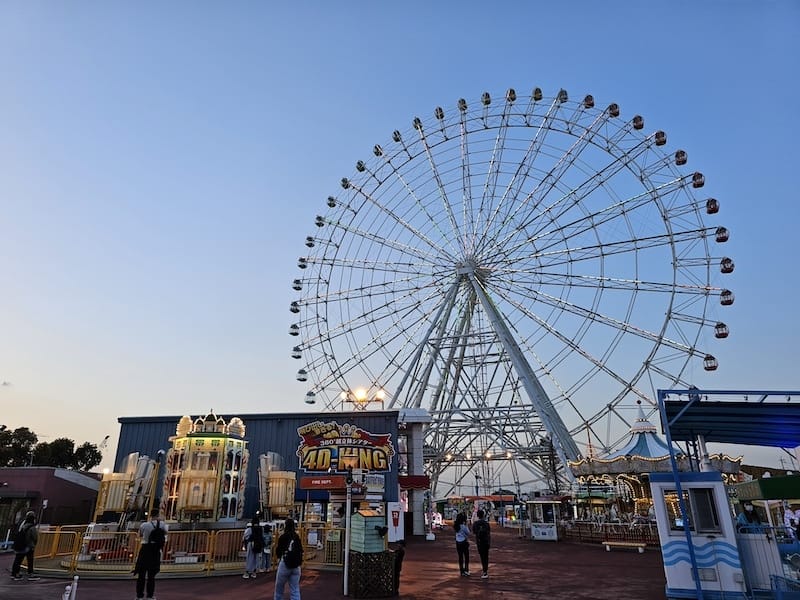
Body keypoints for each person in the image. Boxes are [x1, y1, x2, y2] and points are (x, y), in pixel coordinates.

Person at [134, 508, 168, 600]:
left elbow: (140, 534)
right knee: (151, 575)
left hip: (145, 549)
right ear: (158, 515)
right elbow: (165, 533)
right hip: (155, 550)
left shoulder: (144, 525)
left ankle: (139, 596)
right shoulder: (162, 524)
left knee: (141, 575)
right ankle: (150, 595)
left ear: (150, 515)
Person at [274, 517, 303, 600]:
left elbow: (278, 550)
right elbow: (300, 550)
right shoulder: (296, 537)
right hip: (296, 565)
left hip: (285, 563)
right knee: (295, 589)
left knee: (279, 588)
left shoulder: (283, 536)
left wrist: (278, 558)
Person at [11, 511, 39, 581]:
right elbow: (35, 537)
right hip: (28, 546)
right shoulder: (31, 527)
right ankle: (30, 574)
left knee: (18, 560)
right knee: (30, 560)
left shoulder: (22, 525)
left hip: (20, 545)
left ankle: (14, 574)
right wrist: (33, 544)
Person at [243, 514, 266, 579]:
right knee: (256, 558)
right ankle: (254, 572)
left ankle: (247, 572)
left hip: (251, 544)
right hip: (258, 545)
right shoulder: (261, 529)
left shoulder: (250, 529)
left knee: (250, 558)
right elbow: (262, 537)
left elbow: (245, 536)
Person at [472, 508, 491, 579]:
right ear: (483, 515)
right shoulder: (486, 523)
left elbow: (474, 532)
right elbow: (488, 532)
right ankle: (485, 570)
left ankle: (484, 570)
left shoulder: (475, 524)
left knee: (482, 556)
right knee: (486, 556)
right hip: (486, 542)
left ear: (477, 516)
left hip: (479, 542)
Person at [453, 512, 471, 576]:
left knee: (460, 557)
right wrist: (466, 525)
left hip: (458, 542)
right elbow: (468, 533)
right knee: (466, 557)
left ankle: (461, 571)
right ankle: (466, 570)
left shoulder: (456, 526)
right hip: (464, 542)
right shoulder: (463, 526)